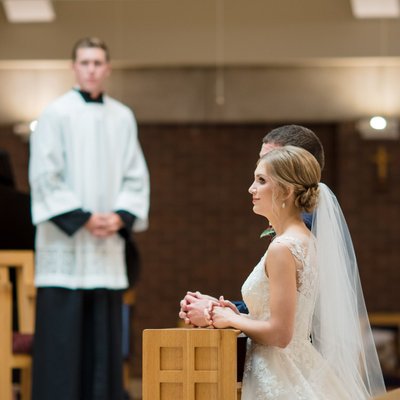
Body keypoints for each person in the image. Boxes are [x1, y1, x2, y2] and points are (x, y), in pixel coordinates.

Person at [208, 146, 386, 399]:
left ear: (286, 190)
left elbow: (280, 334)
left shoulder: (282, 248)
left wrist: (230, 319)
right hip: (300, 364)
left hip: (279, 372)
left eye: (261, 180)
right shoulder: (307, 241)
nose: (251, 188)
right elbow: (284, 318)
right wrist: (241, 315)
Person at [29, 37, 150, 400]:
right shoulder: (55, 113)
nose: (91, 69)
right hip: (66, 244)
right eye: (85, 62)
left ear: (107, 69)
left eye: (98, 63)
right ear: (74, 67)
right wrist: (82, 218)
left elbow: (136, 176)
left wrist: (119, 217)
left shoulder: (122, 116)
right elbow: (43, 174)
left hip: (105, 246)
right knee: (61, 345)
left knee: (103, 347)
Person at [179, 124, 324, 326]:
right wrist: (224, 309)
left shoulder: (300, 232)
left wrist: (219, 314)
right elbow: (277, 302)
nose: (252, 187)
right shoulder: (296, 228)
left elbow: (286, 323)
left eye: (263, 178)